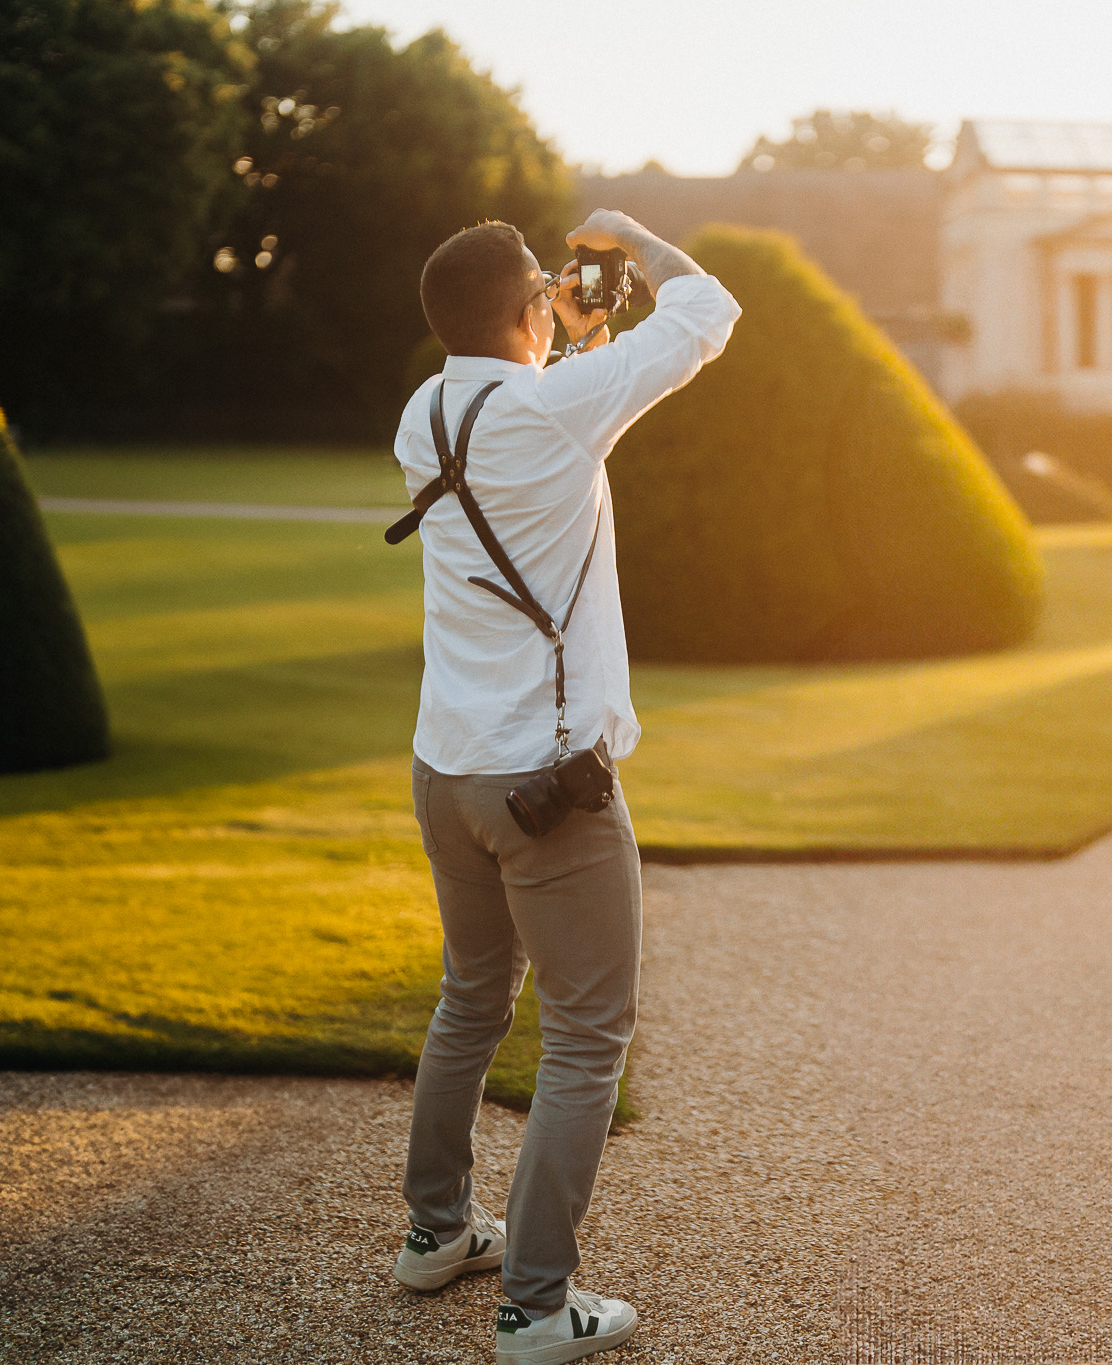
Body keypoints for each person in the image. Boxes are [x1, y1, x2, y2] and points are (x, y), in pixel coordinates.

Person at [388, 208, 738, 1363]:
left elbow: (529, 413)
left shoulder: (426, 411)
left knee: (470, 1001)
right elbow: (708, 313)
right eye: (544, 289)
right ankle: (536, 1309)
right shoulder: (549, 409)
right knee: (589, 1036)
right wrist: (631, 236)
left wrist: (560, 324)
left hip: (447, 774)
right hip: (549, 790)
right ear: (523, 308)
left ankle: (436, 1234)